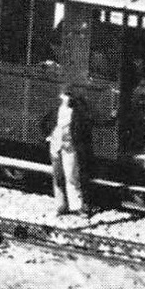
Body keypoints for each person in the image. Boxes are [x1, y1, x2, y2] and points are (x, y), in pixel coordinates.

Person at [46, 88, 87, 216]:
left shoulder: (76, 113)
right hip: (56, 147)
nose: (67, 99)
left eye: (70, 96)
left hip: (69, 148)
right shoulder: (55, 111)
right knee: (58, 178)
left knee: (71, 177)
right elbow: (44, 122)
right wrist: (48, 136)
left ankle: (77, 207)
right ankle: (60, 206)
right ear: (61, 97)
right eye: (65, 96)